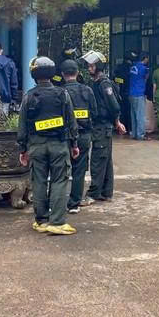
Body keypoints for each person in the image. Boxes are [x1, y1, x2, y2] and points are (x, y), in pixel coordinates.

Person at [17, 56, 80, 235]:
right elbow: (71, 121)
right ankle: (57, 222)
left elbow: (22, 126)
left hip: (36, 146)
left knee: (38, 181)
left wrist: (23, 149)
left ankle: (41, 221)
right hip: (59, 144)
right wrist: (74, 144)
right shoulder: (62, 94)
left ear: (34, 74)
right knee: (59, 181)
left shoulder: (29, 96)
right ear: (52, 73)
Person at [81, 50, 125, 202]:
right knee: (105, 159)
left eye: (92, 66)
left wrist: (117, 121)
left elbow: (114, 106)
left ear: (99, 66)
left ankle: (93, 194)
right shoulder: (96, 82)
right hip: (100, 126)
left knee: (98, 159)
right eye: (89, 65)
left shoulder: (104, 83)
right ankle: (106, 192)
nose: (89, 68)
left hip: (102, 126)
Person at [60, 59, 97, 213]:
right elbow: (94, 112)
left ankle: (57, 202)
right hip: (83, 135)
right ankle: (74, 204)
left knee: (60, 170)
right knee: (79, 170)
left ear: (62, 74)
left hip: (64, 137)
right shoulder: (87, 90)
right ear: (78, 73)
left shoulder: (60, 92)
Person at [0, 42, 18, 115]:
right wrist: (14, 98)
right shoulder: (10, 63)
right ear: (1, 50)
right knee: (3, 119)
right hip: (5, 96)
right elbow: (14, 83)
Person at [128, 52, 150, 140]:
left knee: (133, 115)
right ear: (145, 58)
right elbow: (146, 78)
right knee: (140, 115)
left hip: (131, 93)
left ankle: (134, 134)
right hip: (139, 93)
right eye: (147, 58)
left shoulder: (132, 67)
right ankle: (140, 134)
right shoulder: (143, 68)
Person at [113, 51, 136, 135]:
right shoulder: (130, 68)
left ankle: (121, 128)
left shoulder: (119, 68)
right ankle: (129, 128)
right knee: (129, 111)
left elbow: (115, 79)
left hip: (120, 92)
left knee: (122, 111)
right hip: (128, 92)